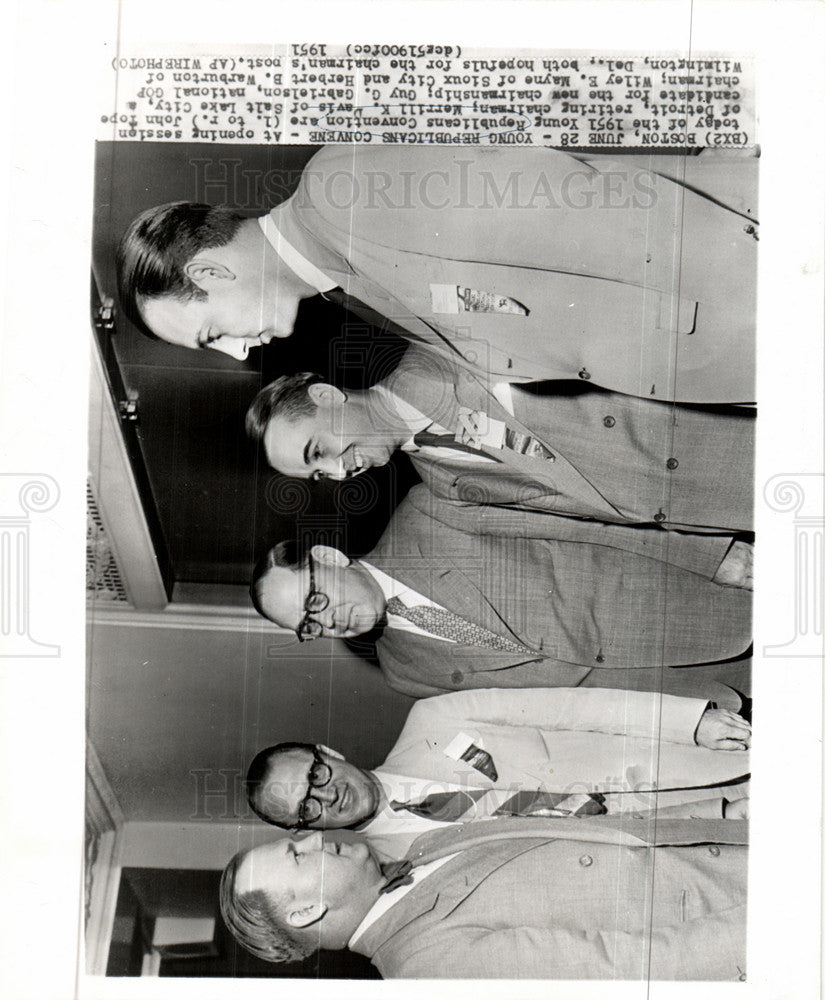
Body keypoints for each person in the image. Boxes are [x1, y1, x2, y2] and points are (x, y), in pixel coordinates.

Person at [116, 146, 757, 402]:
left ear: (210, 270)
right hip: (724, 354)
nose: (238, 353)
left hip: (747, 301)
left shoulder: (342, 191)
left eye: (211, 334)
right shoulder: (345, 280)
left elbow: (594, 207)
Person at [249, 484, 752, 702]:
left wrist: (708, 556)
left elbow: (587, 523)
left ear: (330, 558)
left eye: (316, 602)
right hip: (688, 693)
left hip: (698, 600)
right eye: (309, 626)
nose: (328, 622)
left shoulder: (429, 512)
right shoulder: (402, 673)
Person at [246, 344, 755, 533]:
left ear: (329, 396)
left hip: (728, 430)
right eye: (317, 476)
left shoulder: (445, 350)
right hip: (713, 510)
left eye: (320, 452)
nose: (337, 474)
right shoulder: (443, 484)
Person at [244, 685, 751, 860]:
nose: (325, 798)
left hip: (699, 759)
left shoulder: (432, 719)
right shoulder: (402, 873)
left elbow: (574, 708)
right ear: (305, 830)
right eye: (306, 810)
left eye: (314, 777)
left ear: (327, 752)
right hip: (688, 840)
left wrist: (688, 722)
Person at [219, 817, 748, 979]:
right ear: (307, 910)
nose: (312, 837)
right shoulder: (428, 971)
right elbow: (635, 971)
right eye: (297, 855)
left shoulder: (425, 848)